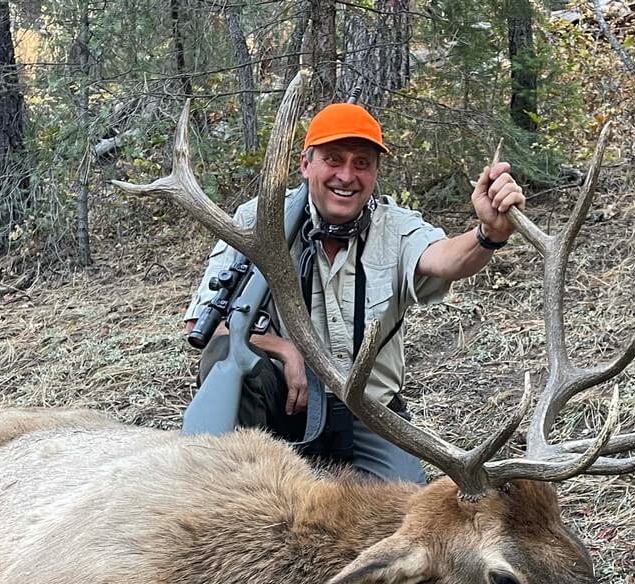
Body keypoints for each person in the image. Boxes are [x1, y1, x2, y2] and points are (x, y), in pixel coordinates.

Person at [183, 101, 525, 483]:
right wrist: (284, 350)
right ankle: (224, 483)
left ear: (375, 172)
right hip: (286, 405)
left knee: (406, 507)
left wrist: (488, 233)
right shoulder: (256, 221)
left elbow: (447, 259)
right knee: (227, 355)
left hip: (370, 413)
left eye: (362, 163)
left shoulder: (395, 227)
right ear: (305, 164)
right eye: (333, 159)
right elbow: (204, 326)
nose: (346, 176)